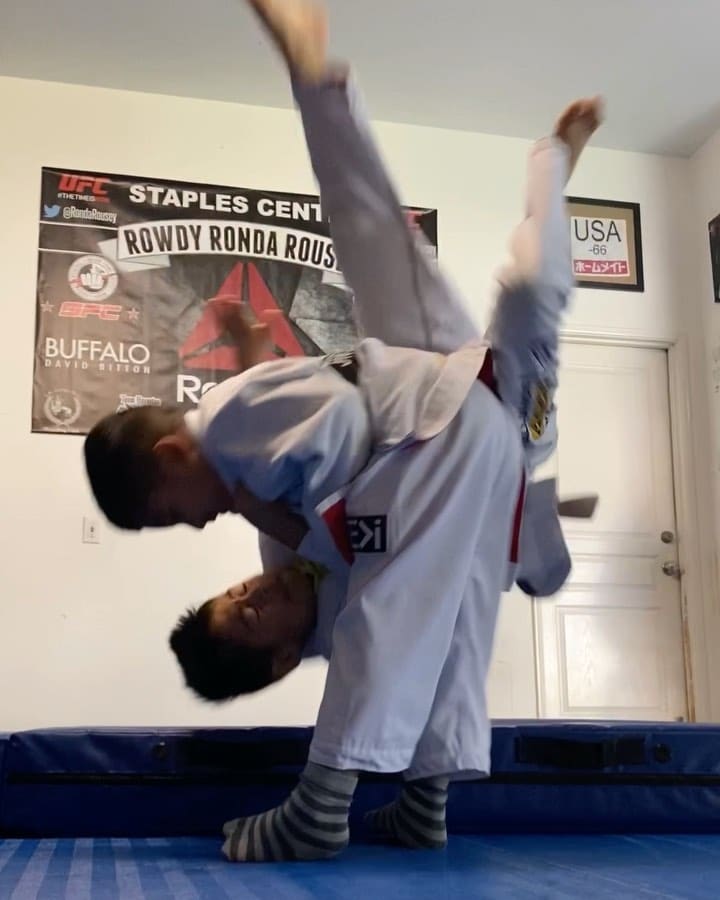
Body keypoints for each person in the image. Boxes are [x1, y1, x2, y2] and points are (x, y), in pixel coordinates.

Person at [164, 0, 603, 864]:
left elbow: (277, 449)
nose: (253, 596)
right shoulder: (354, 629)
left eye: (234, 596)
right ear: (283, 660)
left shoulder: (279, 552)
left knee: (372, 239)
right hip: (503, 431)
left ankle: (314, 77)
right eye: (250, 621)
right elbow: (454, 652)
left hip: (416, 388)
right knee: (530, 295)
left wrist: (247, 353)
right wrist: (426, 797)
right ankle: (555, 165)